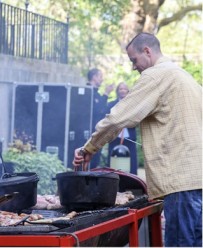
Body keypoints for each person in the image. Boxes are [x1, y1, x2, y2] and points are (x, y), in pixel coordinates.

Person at [73, 33, 202, 247]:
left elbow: (118, 118)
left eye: (134, 60)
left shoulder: (156, 76)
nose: (134, 67)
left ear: (147, 52)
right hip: (198, 178)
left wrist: (90, 148)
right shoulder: (185, 77)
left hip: (180, 181)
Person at [106, 82, 138, 174]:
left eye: (124, 89)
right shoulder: (111, 104)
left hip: (129, 138)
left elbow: (136, 119)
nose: (123, 91)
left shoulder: (133, 105)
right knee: (113, 159)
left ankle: (132, 181)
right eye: (121, 89)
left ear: (128, 91)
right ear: (117, 91)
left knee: (131, 160)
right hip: (115, 137)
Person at [86, 68, 115, 168]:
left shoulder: (96, 93)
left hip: (96, 132)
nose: (102, 79)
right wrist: (106, 93)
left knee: (95, 160)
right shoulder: (87, 91)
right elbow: (99, 110)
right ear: (94, 77)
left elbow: (103, 109)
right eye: (100, 76)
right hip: (89, 133)